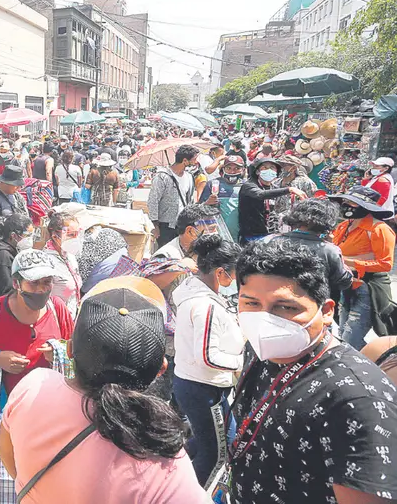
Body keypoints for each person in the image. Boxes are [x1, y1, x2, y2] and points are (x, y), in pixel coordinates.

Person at [0, 276, 204, 503]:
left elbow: (7, 454)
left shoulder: (32, 387)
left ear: (69, 350)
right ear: (161, 368)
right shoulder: (165, 458)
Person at [231, 238, 397, 503]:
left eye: (285, 307)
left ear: (327, 311)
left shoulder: (357, 400)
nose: (265, 321)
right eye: (251, 304)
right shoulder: (263, 351)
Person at [170, 234, 244, 487]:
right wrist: (240, 363)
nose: (236, 281)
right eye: (234, 274)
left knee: (209, 440)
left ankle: (176, 480)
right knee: (216, 453)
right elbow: (208, 356)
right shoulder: (205, 306)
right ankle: (196, 493)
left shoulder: (194, 290)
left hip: (197, 384)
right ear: (221, 273)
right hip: (204, 387)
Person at [0, 249, 75, 394]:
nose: (41, 289)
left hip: (48, 401)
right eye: (34, 283)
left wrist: (59, 352)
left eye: (47, 282)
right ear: (16, 284)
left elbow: (76, 348)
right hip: (3, 405)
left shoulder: (58, 308)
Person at [330, 186, 396, 350]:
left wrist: (348, 261)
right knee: (343, 333)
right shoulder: (343, 226)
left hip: (368, 288)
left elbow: (385, 264)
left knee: (349, 339)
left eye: (351, 203)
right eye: (345, 201)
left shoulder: (379, 229)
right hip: (346, 285)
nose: (345, 205)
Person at [274, 199, 352, 305]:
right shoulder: (329, 250)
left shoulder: (271, 241)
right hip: (312, 306)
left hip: (275, 300)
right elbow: (343, 282)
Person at [239, 158, 307, 243]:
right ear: (257, 172)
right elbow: (260, 194)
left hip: (270, 234)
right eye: (264, 168)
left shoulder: (274, 186)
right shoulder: (249, 185)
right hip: (252, 236)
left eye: (272, 167)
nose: (269, 170)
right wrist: (289, 189)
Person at [0, 212, 35, 312]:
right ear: (14, 236)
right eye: (28, 235)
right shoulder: (3, 256)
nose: (31, 239)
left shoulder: (12, 250)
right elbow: (6, 290)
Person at [147, 145, 199, 247]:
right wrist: (155, 226)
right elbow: (153, 201)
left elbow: (190, 200)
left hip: (183, 225)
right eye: (194, 159)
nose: (196, 162)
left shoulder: (189, 177)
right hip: (166, 226)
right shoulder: (162, 177)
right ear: (185, 160)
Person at [42, 212, 83, 318]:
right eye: (71, 235)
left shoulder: (70, 255)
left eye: (78, 233)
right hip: (54, 319)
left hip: (71, 316)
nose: (76, 238)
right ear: (55, 237)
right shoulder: (46, 262)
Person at [198, 152, 246, 243]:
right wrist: (207, 203)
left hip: (240, 237)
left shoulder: (246, 186)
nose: (232, 171)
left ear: (243, 169)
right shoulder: (213, 184)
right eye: (229, 168)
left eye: (237, 168)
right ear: (223, 169)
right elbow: (198, 209)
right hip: (217, 237)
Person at [153, 204, 219, 261]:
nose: (216, 233)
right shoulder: (166, 257)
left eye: (216, 228)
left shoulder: (209, 251)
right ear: (190, 231)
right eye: (211, 229)